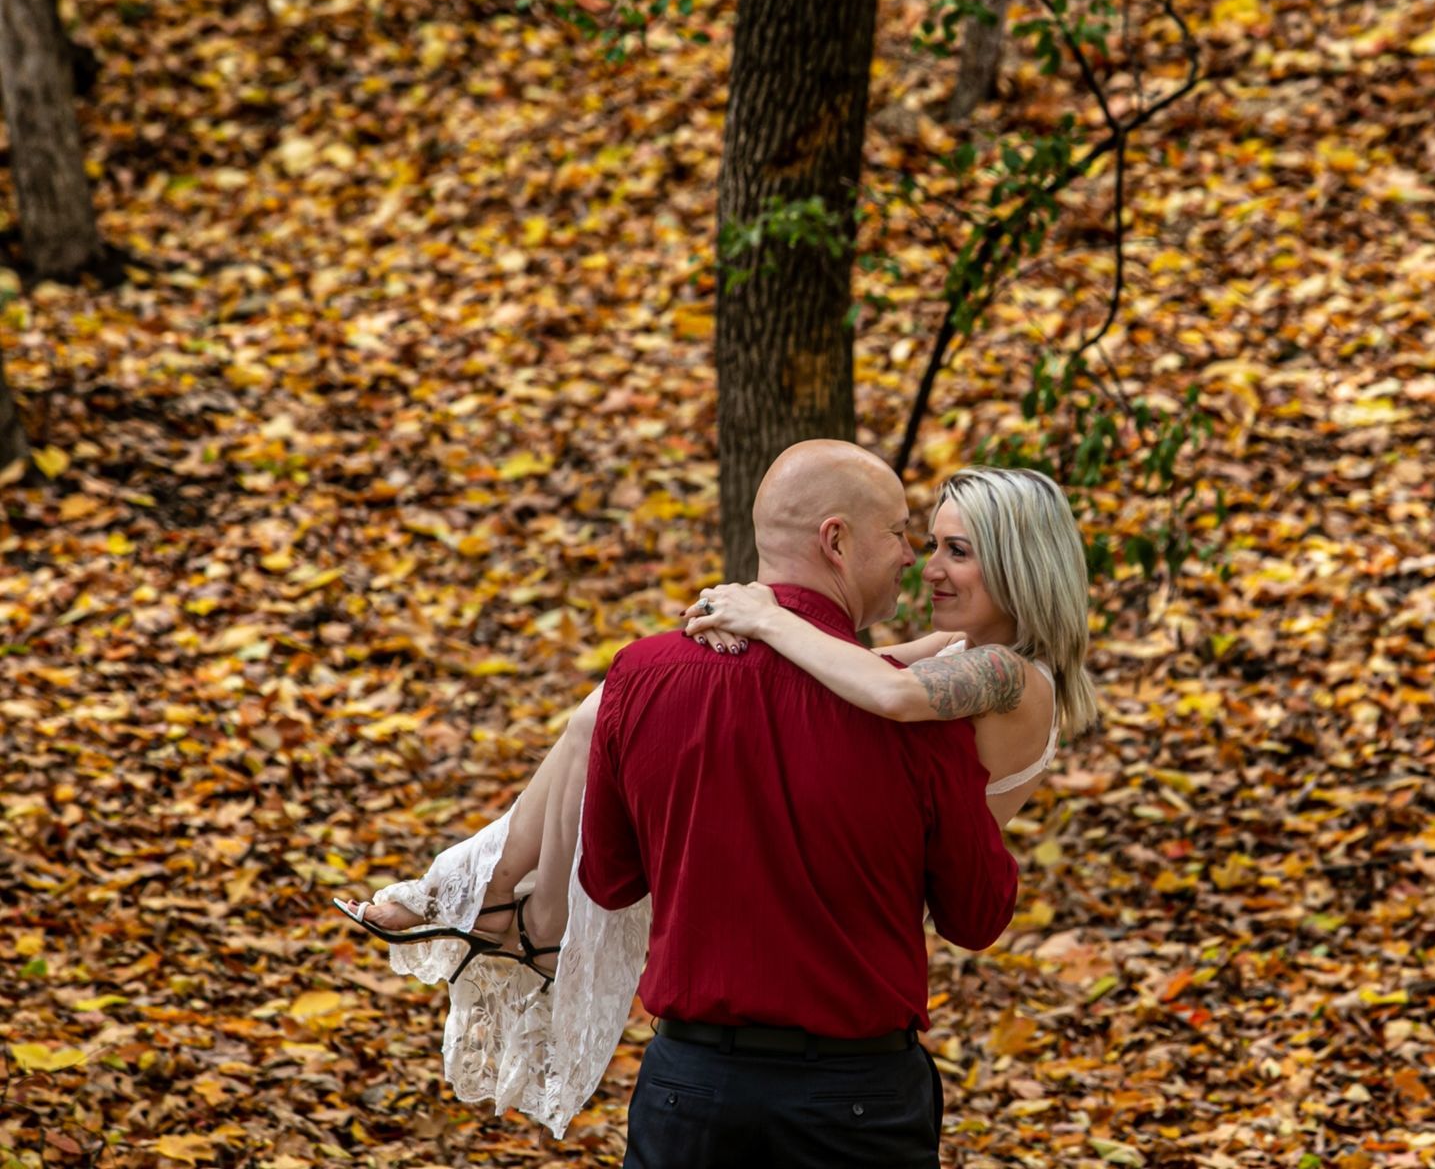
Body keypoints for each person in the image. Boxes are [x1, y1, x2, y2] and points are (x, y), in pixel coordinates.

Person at [331, 450, 1096, 1148]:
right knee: (603, 707)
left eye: (954, 550)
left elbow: (888, 689)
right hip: (852, 1089)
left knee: (615, 701)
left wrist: (758, 617)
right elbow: (863, 668)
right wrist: (744, 637)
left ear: (1018, 565)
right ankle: (483, 888)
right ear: (838, 541)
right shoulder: (953, 667)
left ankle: (507, 905)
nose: (921, 564)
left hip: (704, 1086)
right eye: (922, 541)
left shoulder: (995, 680)